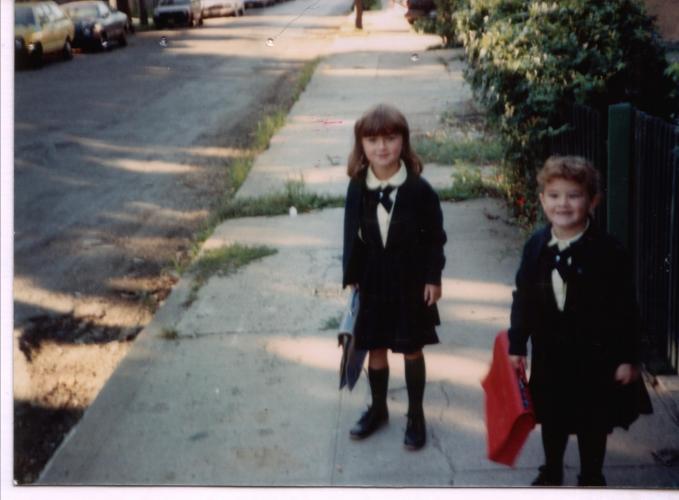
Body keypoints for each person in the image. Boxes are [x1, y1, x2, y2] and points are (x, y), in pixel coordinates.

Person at [508, 155, 651, 486]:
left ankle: (591, 473)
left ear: (593, 201)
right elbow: (524, 297)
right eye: (554, 195)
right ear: (543, 199)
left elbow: (626, 309)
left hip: (595, 357)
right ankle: (552, 468)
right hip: (550, 354)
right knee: (552, 416)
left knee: (593, 420)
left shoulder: (609, 251)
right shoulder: (536, 247)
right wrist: (517, 343)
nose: (563, 204)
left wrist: (629, 358)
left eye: (574, 195)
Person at [342, 103, 447, 450]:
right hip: (373, 280)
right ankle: (379, 408)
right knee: (375, 347)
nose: (382, 147)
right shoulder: (358, 187)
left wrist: (433, 278)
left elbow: (435, 238)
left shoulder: (419, 190)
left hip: (410, 280)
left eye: (390, 138)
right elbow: (350, 233)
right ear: (362, 145)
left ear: (404, 141)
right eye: (372, 140)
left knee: (412, 347)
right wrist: (352, 275)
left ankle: (416, 414)